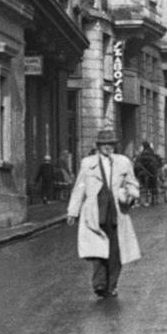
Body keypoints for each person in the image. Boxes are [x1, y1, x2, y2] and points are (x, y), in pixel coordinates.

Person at [66, 126, 141, 297]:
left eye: (111, 144)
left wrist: (130, 194)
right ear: (98, 146)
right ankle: (99, 284)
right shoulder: (88, 163)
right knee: (98, 250)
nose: (108, 147)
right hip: (94, 212)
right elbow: (79, 188)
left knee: (116, 251)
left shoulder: (123, 162)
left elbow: (132, 183)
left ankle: (112, 285)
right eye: (104, 144)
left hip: (116, 212)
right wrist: (73, 212)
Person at [135, 141, 164, 206]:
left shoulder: (148, 151)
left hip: (151, 170)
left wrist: (142, 160)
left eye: (143, 145)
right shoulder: (144, 152)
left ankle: (154, 200)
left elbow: (149, 159)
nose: (142, 146)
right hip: (146, 169)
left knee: (153, 183)